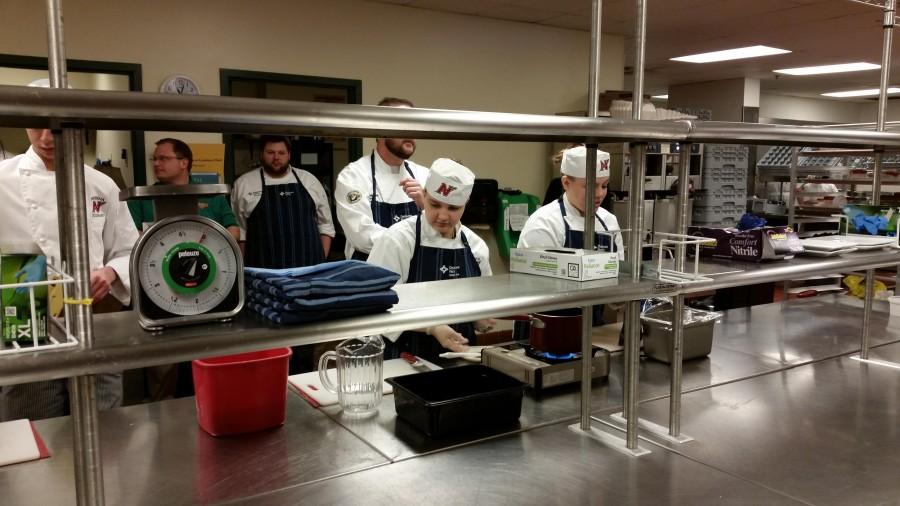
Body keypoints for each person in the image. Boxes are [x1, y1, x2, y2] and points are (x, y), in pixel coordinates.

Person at [0, 78, 139, 421]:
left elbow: (128, 250)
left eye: (58, 127)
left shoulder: (101, 184)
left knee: (101, 414)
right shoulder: (2, 179)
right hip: (24, 310)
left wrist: (109, 273)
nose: (48, 138)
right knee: (33, 416)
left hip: (92, 311)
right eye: (39, 125)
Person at [367, 158, 493, 360]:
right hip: (405, 357)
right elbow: (377, 303)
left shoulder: (475, 246)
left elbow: (482, 300)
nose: (443, 216)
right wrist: (432, 326)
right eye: (435, 205)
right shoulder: (398, 239)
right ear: (424, 195)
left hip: (462, 355)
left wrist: (479, 318)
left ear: (465, 205)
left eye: (453, 208)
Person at [518, 145, 624, 326]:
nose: (599, 194)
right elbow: (534, 290)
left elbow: (618, 281)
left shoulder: (609, 222)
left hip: (593, 325)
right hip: (545, 326)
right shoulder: (545, 223)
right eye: (590, 186)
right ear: (566, 183)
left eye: (604, 185)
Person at [335, 97, 429, 261]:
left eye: (414, 125)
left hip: (417, 275)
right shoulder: (352, 176)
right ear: (379, 130)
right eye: (403, 124)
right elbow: (362, 236)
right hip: (370, 275)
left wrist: (425, 206)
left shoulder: (425, 175)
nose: (411, 133)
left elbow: (444, 228)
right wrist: (415, 240)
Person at [232, 135, 334, 268]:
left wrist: (321, 260)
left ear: (289, 155)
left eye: (281, 153)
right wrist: (244, 269)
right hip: (263, 271)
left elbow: (325, 225)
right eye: (270, 152)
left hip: (309, 269)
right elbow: (241, 232)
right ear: (261, 154)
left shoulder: (309, 180)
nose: (276, 158)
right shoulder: (244, 184)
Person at [128, 138, 240, 242]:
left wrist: (211, 245)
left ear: (184, 163)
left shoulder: (213, 195)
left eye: (163, 158)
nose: (156, 163)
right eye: (155, 159)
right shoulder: (140, 199)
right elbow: (130, 233)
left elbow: (233, 229)